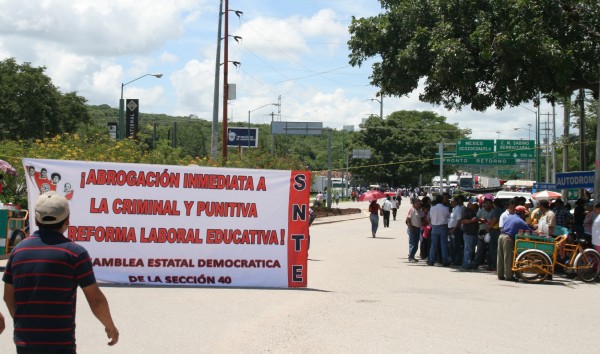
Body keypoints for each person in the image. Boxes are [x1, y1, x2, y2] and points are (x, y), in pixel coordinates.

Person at [3, 191, 119, 353]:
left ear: (36, 219)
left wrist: (23, 322)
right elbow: (96, 300)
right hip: (60, 344)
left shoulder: (18, 251)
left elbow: (8, 296)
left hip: (24, 343)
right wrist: (110, 327)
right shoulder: (75, 254)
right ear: (68, 219)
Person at [498, 205, 534, 281]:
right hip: (508, 238)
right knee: (508, 258)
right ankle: (508, 276)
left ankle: (500, 275)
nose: (525, 215)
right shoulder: (520, 221)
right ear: (521, 213)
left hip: (501, 236)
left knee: (500, 257)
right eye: (524, 214)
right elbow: (530, 231)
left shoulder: (509, 217)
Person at [428, 195, 450, 266]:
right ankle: (445, 261)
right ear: (442, 200)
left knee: (433, 245)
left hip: (434, 227)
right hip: (443, 227)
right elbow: (448, 217)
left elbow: (430, 217)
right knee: (444, 245)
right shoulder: (446, 208)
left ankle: (431, 260)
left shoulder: (432, 208)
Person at [461, 202, 479, 270]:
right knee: (468, 249)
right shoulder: (465, 210)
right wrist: (471, 220)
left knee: (471, 249)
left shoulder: (473, 211)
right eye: (474, 205)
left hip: (473, 233)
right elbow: (463, 220)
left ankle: (468, 263)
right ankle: (466, 264)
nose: (475, 206)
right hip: (468, 233)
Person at [448, 196, 464, 266]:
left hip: (456, 230)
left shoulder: (458, 209)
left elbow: (459, 220)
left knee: (456, 246)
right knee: (452, 246)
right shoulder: (454, 209)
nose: (451, 202)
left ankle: (457, 260)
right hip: (451, 229)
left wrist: (454, 229)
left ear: (456, 202)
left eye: (452, 201)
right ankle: (453, 259)